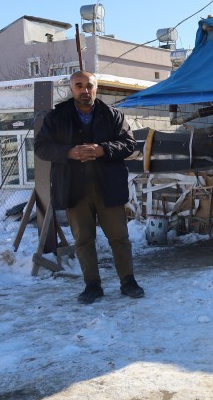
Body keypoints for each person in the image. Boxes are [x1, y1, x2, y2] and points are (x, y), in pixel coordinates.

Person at [34, 70, 144, 304]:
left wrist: (103, 149)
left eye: (89, 85)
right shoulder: (57, 117)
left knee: (119, 237)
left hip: (108, 188)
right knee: (83, 239)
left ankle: (128, 281)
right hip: (74, 188)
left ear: (96, 88)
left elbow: (129, 144)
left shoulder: (112, 115)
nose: (85, 90)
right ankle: (92, 285)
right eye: (79, 85)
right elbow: (42, 147)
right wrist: (69, 152)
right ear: (71, 88)